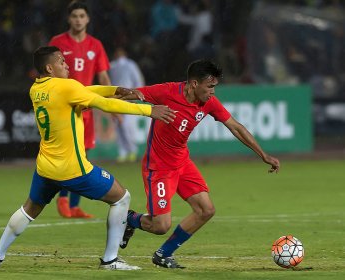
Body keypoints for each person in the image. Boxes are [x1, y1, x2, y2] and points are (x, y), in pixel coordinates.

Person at [0, 46, 176, 271]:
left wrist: (113, 88)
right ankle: (110, 260)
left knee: (29, 209)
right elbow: (102, 104)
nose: (66, 64)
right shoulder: (66, 87)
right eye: (61, 61)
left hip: (46, 166)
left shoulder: (36, 88)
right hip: (73, 169)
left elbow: (85, 90)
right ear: (49, 67)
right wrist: (148, 111)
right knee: (122, 197)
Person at [119, 59, 280, 268]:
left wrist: (263, 154)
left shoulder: (209, 102)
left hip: (182, 163)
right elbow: (130, 94)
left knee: (206, 210)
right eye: (210, 86)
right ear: (194, 84)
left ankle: (163, 254)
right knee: (160, 226)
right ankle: (130, 219)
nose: (213, 92)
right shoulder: (167, 92)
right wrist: (88, 99)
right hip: (158, 168)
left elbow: (236, 127)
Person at [49, 0, 111, 218]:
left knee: (83, 156)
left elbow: (103, 76)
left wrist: (112, 102)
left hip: (86, 109)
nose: (78, 20)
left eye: (81, 16)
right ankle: (63, 199)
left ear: (88, 19)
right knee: (68, 155)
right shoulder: (57, 43)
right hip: (65, 108)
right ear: (69, 19)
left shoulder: (95, 45)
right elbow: (48, 73)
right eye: (74, 16)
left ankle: (74, 206)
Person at [109, 47, 145, 163]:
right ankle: (126, 152)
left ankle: (129, 151)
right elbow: (138, 80)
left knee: (124, 126)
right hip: (124, 97)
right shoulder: (126, 65)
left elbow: (137, 81)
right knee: (124, 126)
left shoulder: (117, 65)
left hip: (121, 98)